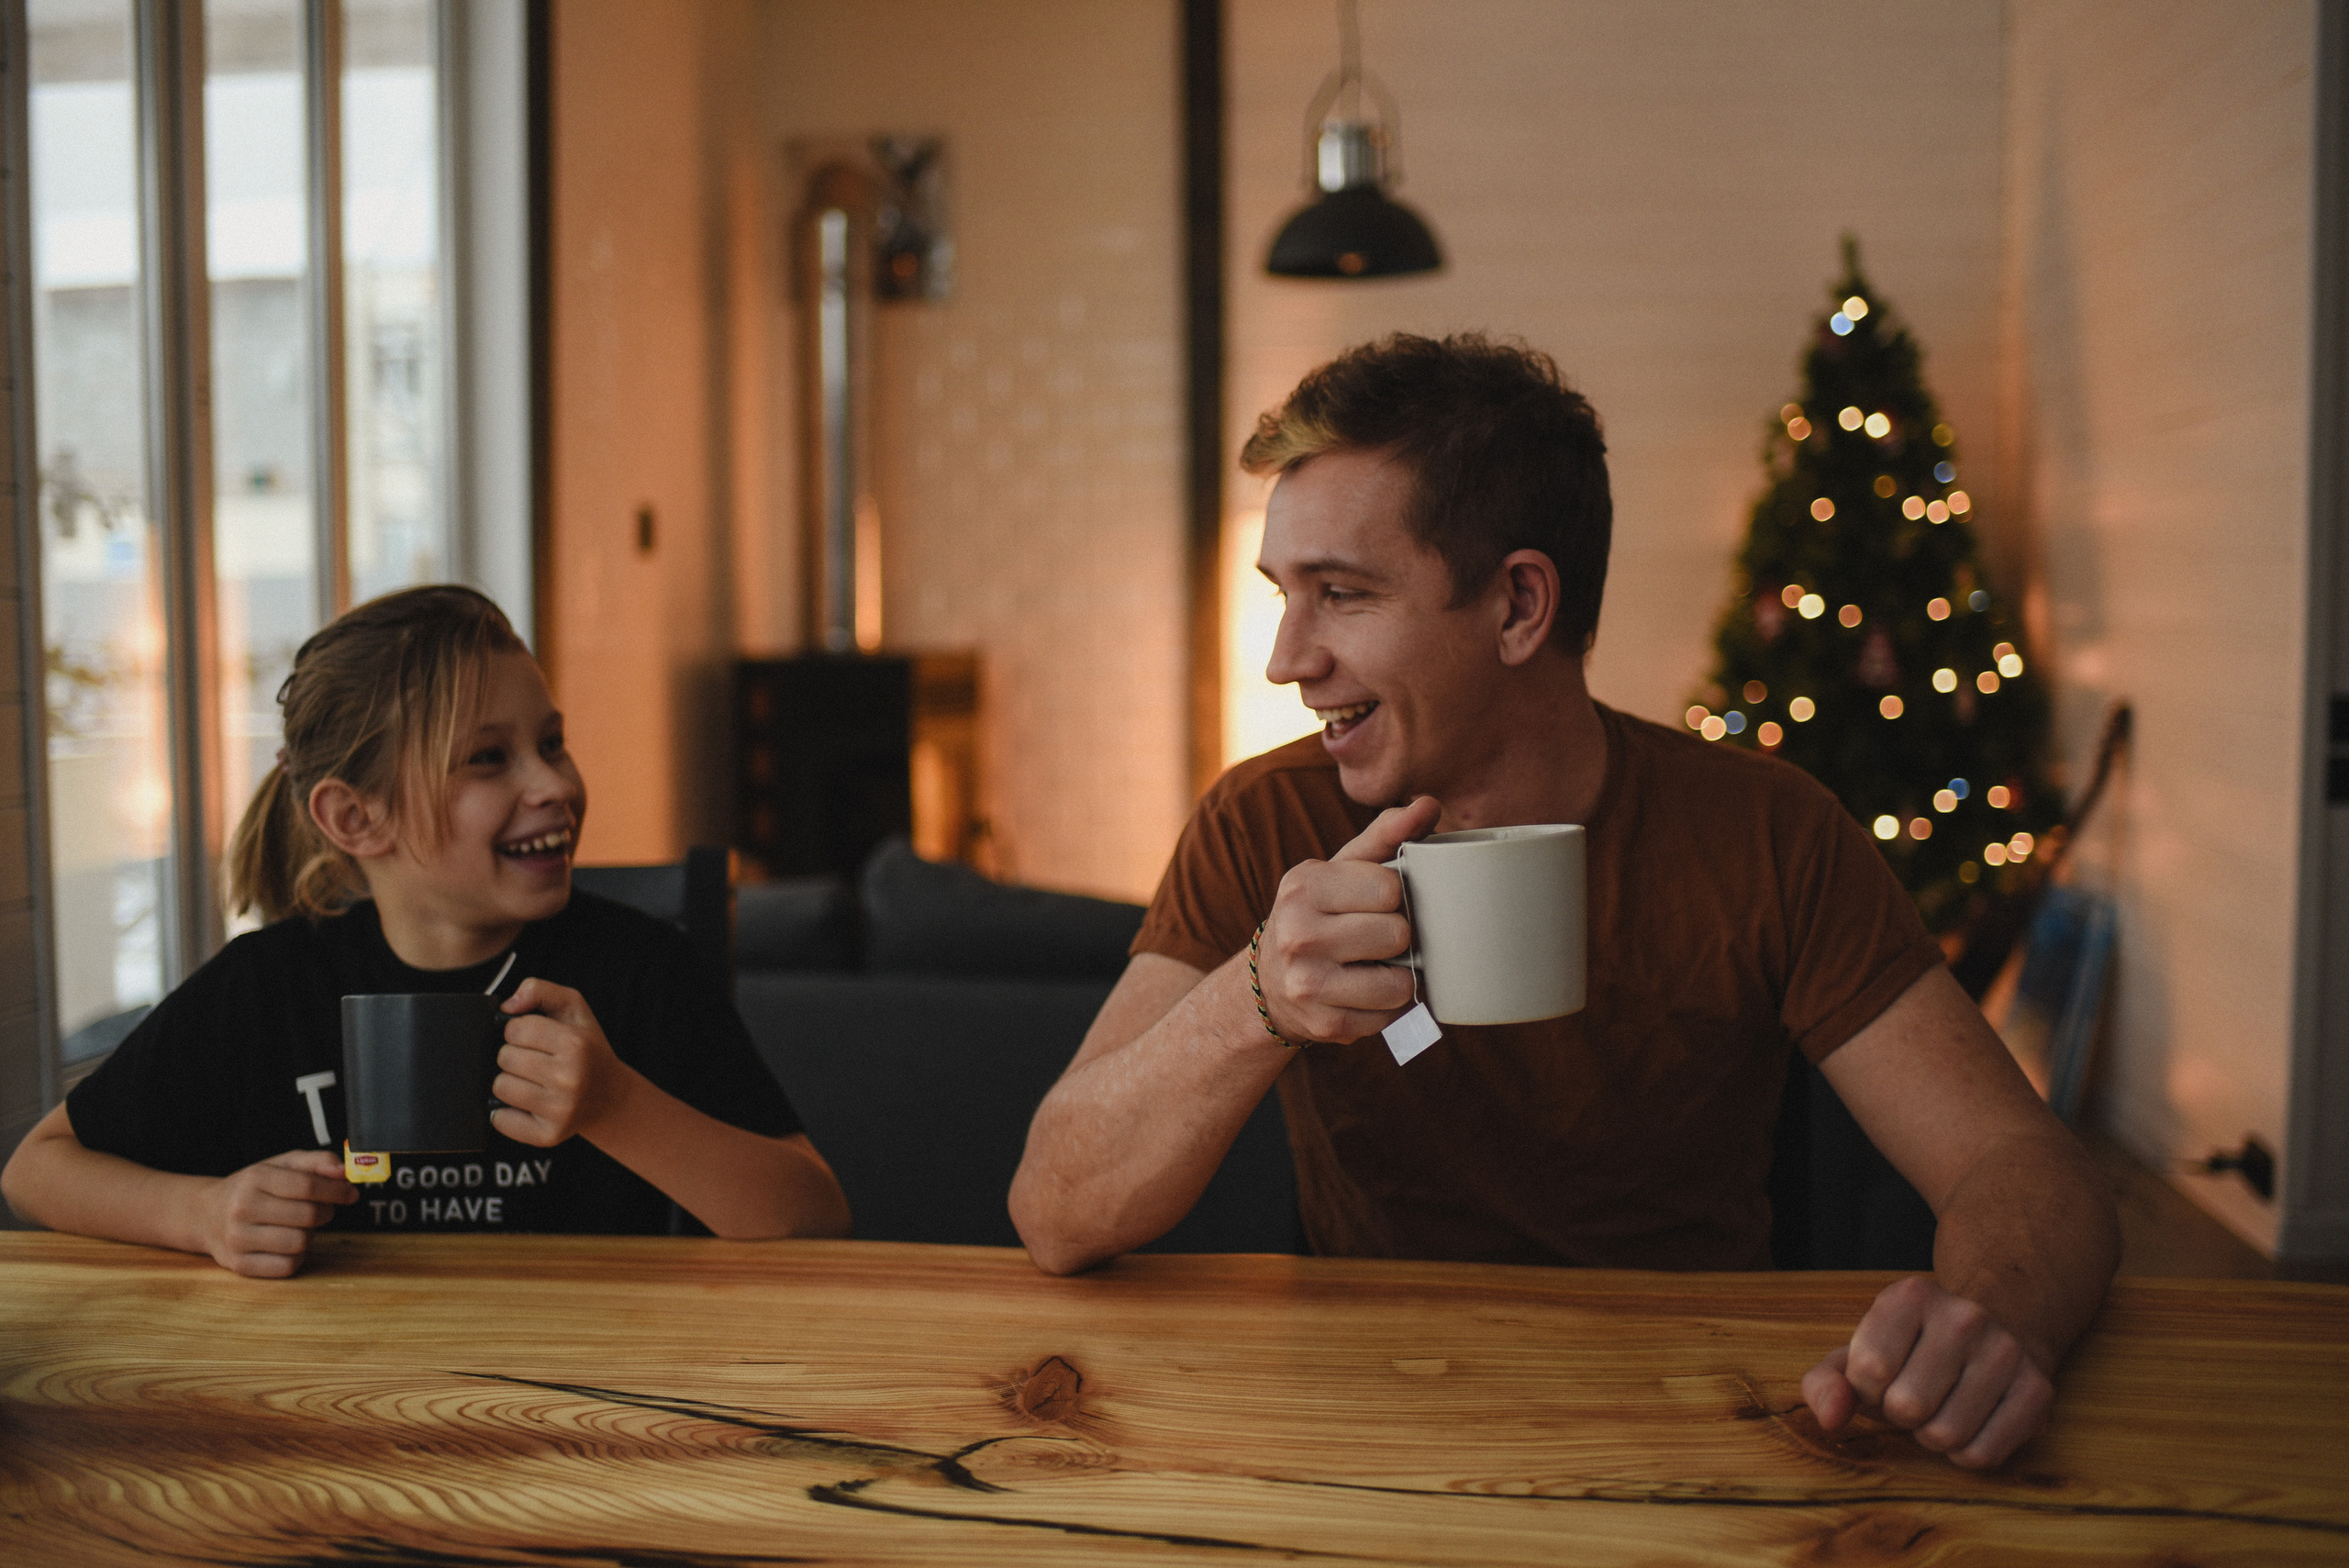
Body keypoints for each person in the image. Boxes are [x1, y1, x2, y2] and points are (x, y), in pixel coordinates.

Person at [1009, 333, 2119, 1471]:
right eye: (1284, 596)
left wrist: (1996, 1321)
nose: (1286, 660)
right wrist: (1251, 999)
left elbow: (2024, 1165)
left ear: (1518, 606)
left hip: (1700, 1418)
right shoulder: (1264, 824)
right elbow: (1054, 1207)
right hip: (1367, 1416)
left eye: (1340, 594)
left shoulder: (1768, 832)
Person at [2, 585, 850, 1275]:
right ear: (354, 817)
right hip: (336, 1391)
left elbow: (813, 1216)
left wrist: (617, 1105)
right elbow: (38, 1169)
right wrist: (204, 1212)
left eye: (552, 743)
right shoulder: (269, 986)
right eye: (489, 758)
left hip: (587, 1390)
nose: (554, 784)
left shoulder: (638, 968)